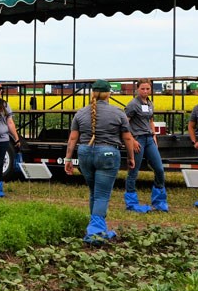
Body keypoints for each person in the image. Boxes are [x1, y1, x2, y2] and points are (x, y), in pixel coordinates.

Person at [64, 79, 137, 243]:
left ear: (92, 93)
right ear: (108, 94)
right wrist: (131, 157)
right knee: (102, 195)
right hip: (108, 154)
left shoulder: (81, 113)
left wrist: (68, 158)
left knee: (94, 192)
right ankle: (96, 233)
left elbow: (73, 138)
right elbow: (127, 137)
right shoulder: (118, 113)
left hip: (85, 153)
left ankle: (95, 226)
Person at [123, 78, 169, 212]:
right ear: (137, 89)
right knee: (133, 171)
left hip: (149, 139)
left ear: (151, 90)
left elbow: (151, 119)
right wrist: (132, 140)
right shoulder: (133, 104)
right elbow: (125, 124)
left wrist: (154, 134)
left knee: (159, 169)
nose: (145, 91)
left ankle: (159, 200)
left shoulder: (150, 103)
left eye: (147, 89)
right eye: (142, 89)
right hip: (137, 139)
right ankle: (131, 202)